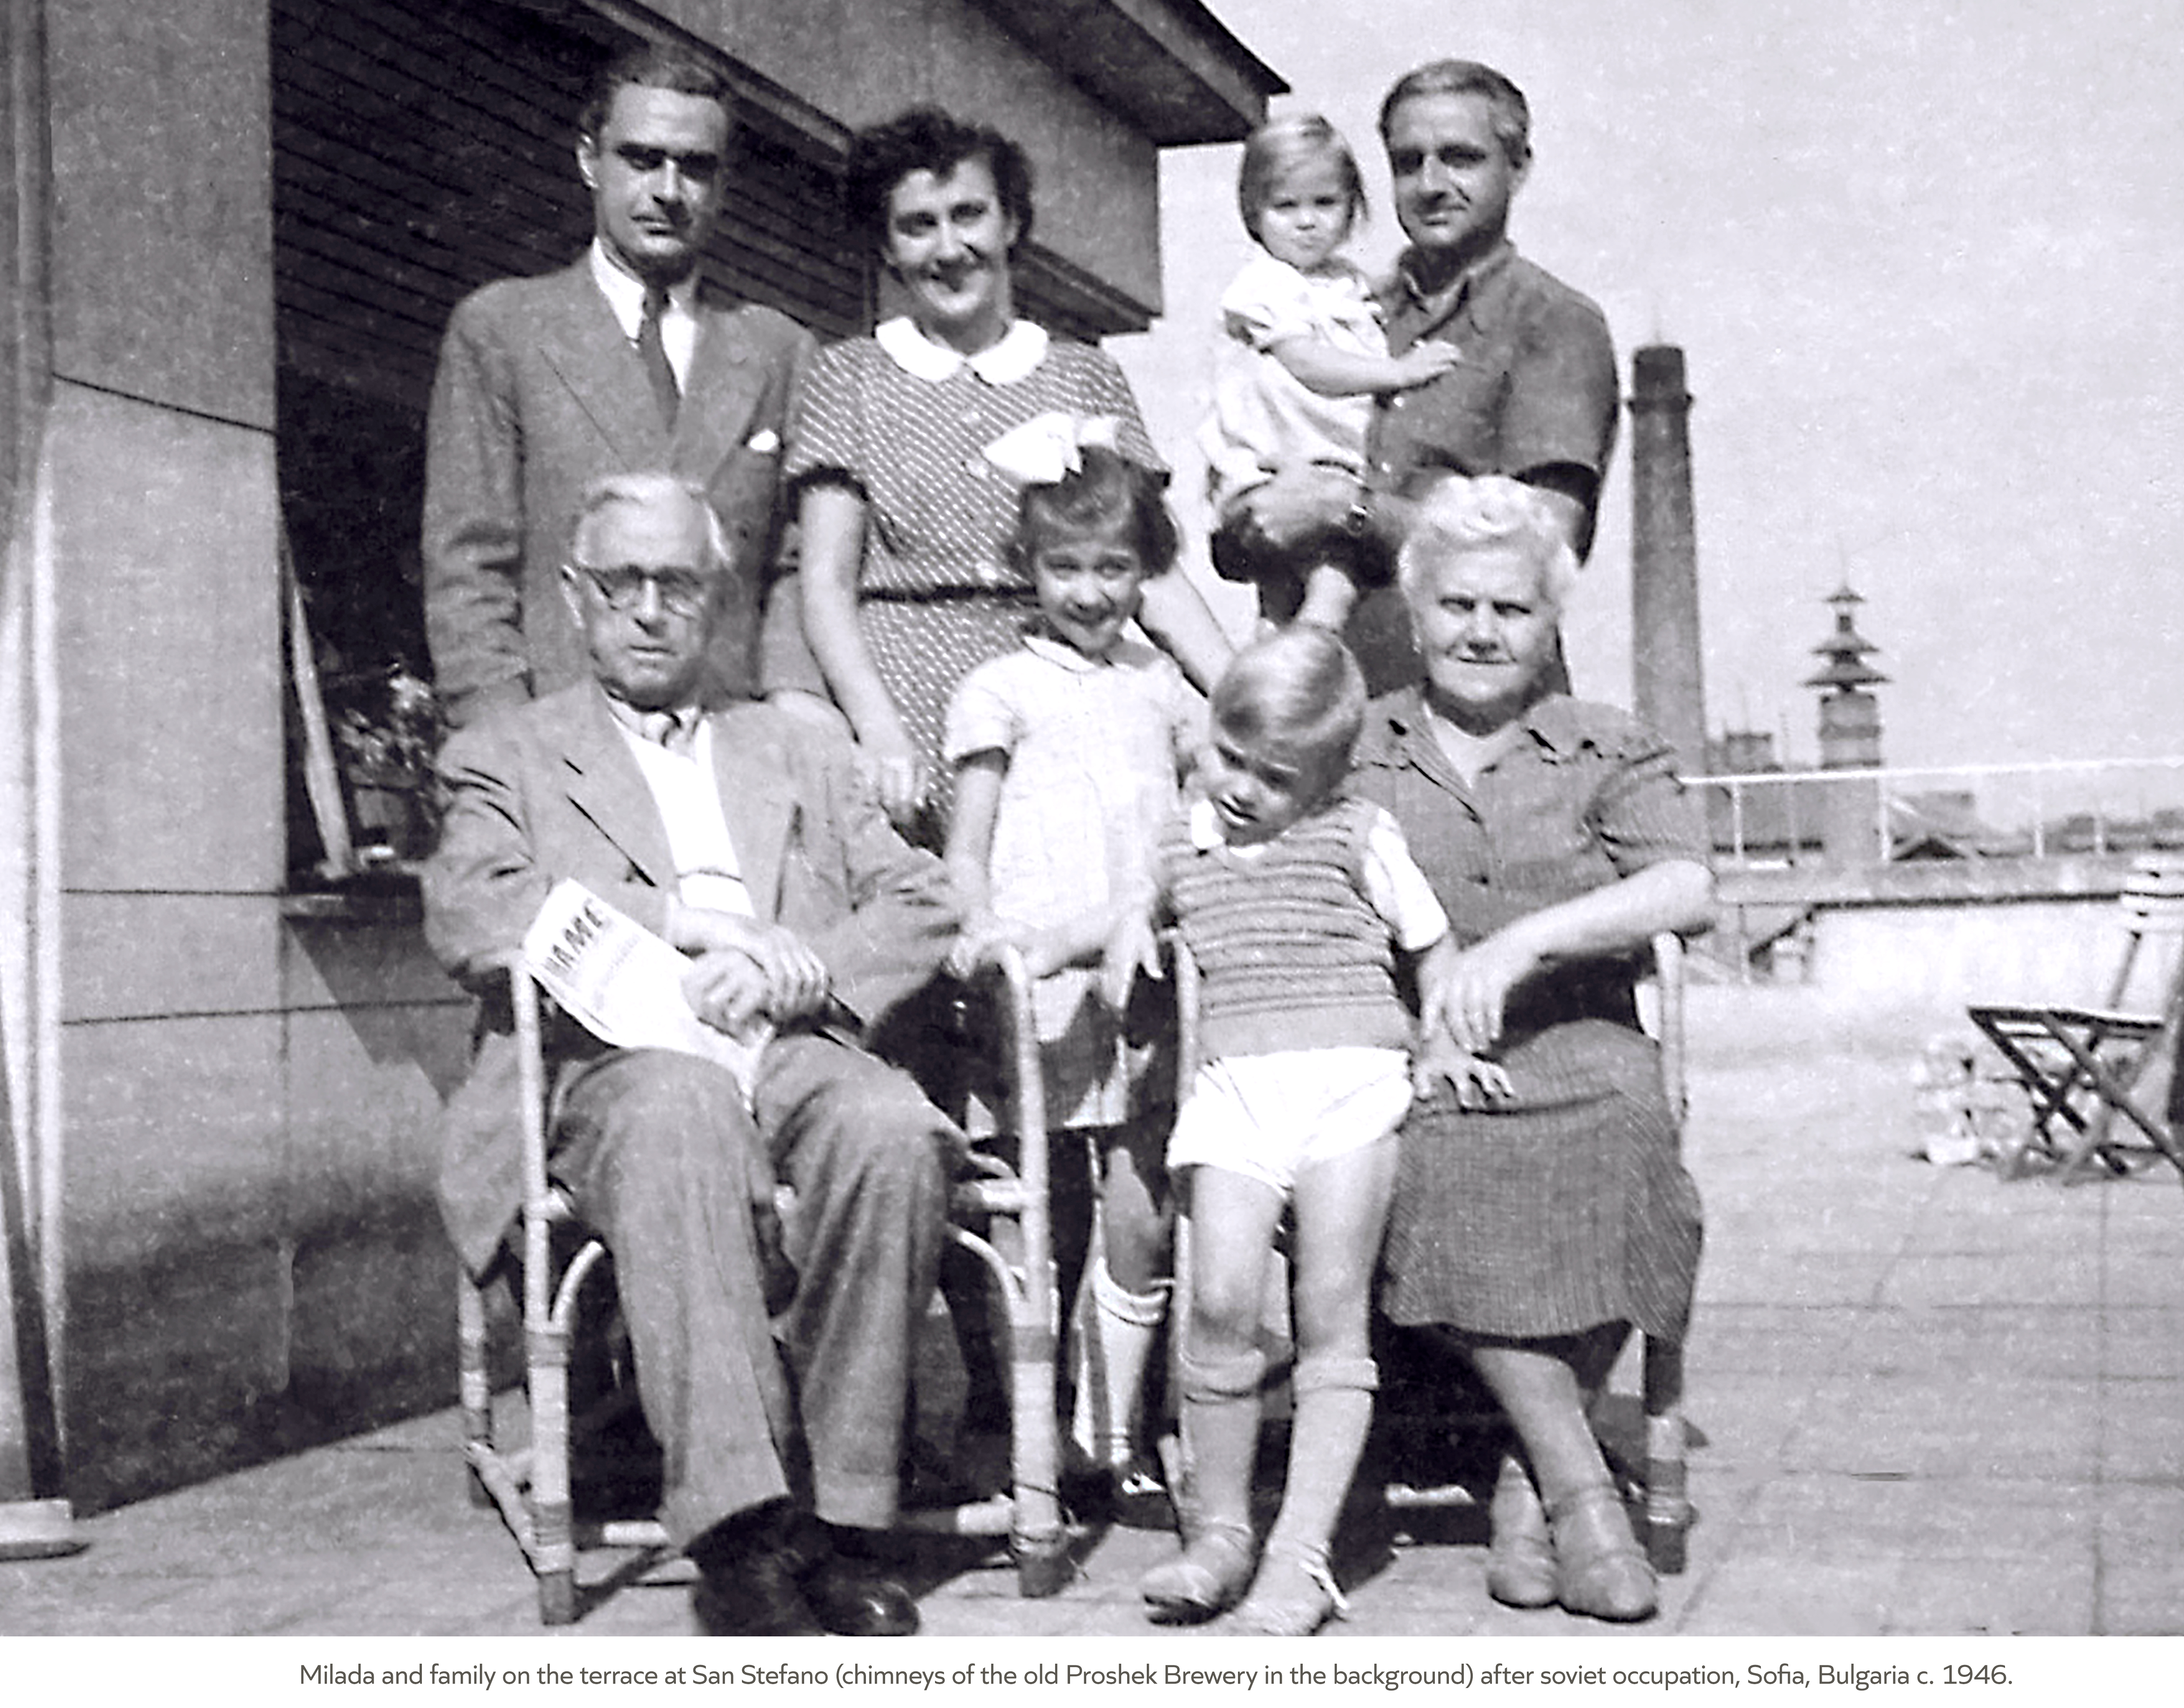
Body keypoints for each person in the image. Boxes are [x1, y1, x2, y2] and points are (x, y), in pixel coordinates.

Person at [423, 473, 964, 1637]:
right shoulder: (507, 753)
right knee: (679, 1113)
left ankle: (842, 1520)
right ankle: (741, 1533)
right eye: (623, 582)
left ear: (717, 600)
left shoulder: (793, 748)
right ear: (576, 599)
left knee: (892, 1128)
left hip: (785, 1040)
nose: (652, 609)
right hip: (610, 1067)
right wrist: (679, 925)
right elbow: (472, 913)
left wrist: (797, 965)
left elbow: (922, 898)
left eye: (679, 582)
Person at [1347, 476, 1714, 1623]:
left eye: (1510, 610)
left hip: (1580, 1035)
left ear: (1552, 624)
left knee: (1633, 1130)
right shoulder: (1355, 745)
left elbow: (1687, 885)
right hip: (1412, 1049)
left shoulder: (1608, 744)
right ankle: (1572, 1485)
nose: (1480, 631)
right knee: (1435, 1160)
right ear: (1415, 618)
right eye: (1456, 605)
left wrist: (1524, 948)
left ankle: (1525, 1476)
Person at [1123, 628, 1500, 1636]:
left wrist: (1443, 1040)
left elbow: (1434, 944)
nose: (1242, 787)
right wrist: (1119, 927)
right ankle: (1220, 1531)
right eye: (1229, 756)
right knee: (1219, 1300)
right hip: (1235, 1088)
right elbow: (1140, 908)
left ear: (1329, 778)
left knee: (1330, 1304)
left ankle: (1302, 1554)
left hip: (1348, 1082)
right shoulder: (1184, 837)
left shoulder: (1358, 834)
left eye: (1275, 776)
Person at [776, 106, 1233, 844]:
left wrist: (1243, 697)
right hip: (909, 718)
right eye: (918, 225)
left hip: (1067, 702)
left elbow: (1152, 572)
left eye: (969, 215)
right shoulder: (848, 376)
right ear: (888, 248)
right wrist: (878, 731)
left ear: (1012, 224)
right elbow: (826, 584)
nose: (949, 248)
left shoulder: (1083, 375)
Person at [938, 448, 1203, 1493]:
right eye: (1065, 567)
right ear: (1028, 567)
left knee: (1140, 1202)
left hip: (1136, 974)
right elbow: (968, 841)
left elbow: (1200, 828)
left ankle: (1116, 1429)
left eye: (1113, 567)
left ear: (1148, 572)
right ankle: (1028, 1425)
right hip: (1034, 986)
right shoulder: (998, 687)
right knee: (1035, 1211)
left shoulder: (1168, 689)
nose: (1089, 592)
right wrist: (983, 927)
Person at [423, 42, 818, 730]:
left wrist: (789, 713)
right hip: (564, 745)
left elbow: (793, 566)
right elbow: (470, 567)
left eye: (696, 168)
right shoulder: (503, 330)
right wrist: (505, 748)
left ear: (724, 186)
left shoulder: (779, 350)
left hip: (731, 747)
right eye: (641, 159)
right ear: (588, 160)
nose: (669, 191)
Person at [1218, 61, 1620, 695]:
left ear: (1518, 168)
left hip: (1480, 725)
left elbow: (1543, 547)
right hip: (1328, 714)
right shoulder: (1344, 313)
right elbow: (1241, 535)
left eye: (1461, 159)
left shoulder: (1555, 323)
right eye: (1409, 162)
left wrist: (1347, 512)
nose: (1431, 184)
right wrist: (1251, 514)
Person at [1196, 114, 1458, 634]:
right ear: (1254, 213)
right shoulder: (1265, 285)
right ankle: (1303, 654)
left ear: (1352, 208)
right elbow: (1309, 363)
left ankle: (1284, 666)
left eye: (1325, 204)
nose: (1307, 222)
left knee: (1295, 593)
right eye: (1285, 207)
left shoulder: (1342, 281)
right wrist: (1396, 373)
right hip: (1273, 464)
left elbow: (1367, 302)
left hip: (1320, 464)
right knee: (1326, 579)